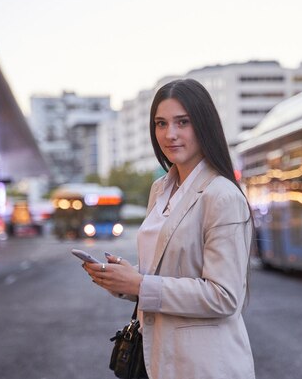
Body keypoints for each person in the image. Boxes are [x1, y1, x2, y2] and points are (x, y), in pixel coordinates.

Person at [82, 78, 255, 379]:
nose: (170, 134)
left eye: (182, 122)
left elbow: (224, 296)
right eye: (161, 124)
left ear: (203, 125)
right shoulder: (160, 189)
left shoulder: (221, 195)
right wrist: (123, 279)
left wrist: (139, 285)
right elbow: (168, 271)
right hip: (159, 360)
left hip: (206, 366)